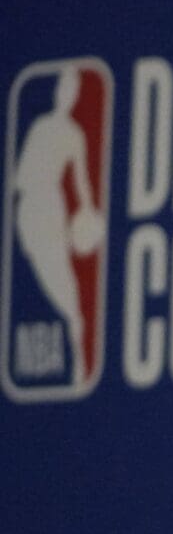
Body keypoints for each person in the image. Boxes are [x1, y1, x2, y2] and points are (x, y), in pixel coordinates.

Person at [11, 70, 101, 378]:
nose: (66, 93)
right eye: (64, 87)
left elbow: (82, 182)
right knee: (47, 281)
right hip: (30, 211)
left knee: (68, 289)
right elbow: (21, 176)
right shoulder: (39, 126)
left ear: (75, 96)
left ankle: (78, 357)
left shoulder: (75, 135)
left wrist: (88, 212)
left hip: (51, 209)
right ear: (59, 91)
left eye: (72, 89)